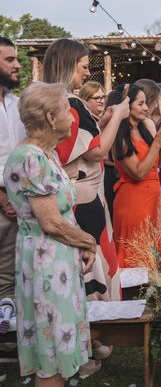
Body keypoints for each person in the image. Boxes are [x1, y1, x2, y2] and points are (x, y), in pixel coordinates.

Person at [5, 82, 99, 387]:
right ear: (50, 117)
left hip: (56, 258)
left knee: (59, 336)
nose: (73, 119)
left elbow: (61, 215)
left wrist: (82, 244)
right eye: (66, 111)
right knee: (50, 342)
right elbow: (51, 223)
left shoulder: (44, 154)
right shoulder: (30, 158)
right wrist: (89, 241)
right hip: (45, 262)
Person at [42, 39, 130, 304]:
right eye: (83, 66)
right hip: (83, 196)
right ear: (68, 66)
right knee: (95, 261)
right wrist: (118, 116)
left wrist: (100, 122)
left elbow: (76, 144)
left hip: (66, 194)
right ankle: (100, 329)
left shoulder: (51, 101)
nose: (87, 72)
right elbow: (97, 151)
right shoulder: (72, 103)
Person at [112, 84, 161, 268]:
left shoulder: (144, 128)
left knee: (152, 255)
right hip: (134, 202)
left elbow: (158, 162)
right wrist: (157, 143)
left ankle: (150, 294)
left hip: (152, 198)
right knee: (136, 255)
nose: (147, 108)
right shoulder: (120, 135)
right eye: (140, 103)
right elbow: (139, 172)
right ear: (126, 105)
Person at [0, 37, 26, 300]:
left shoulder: (18, 104)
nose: (17, 65)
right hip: (4, 200)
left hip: (16, 203)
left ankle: (9, 341)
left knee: (11, 276)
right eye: (9, 60)